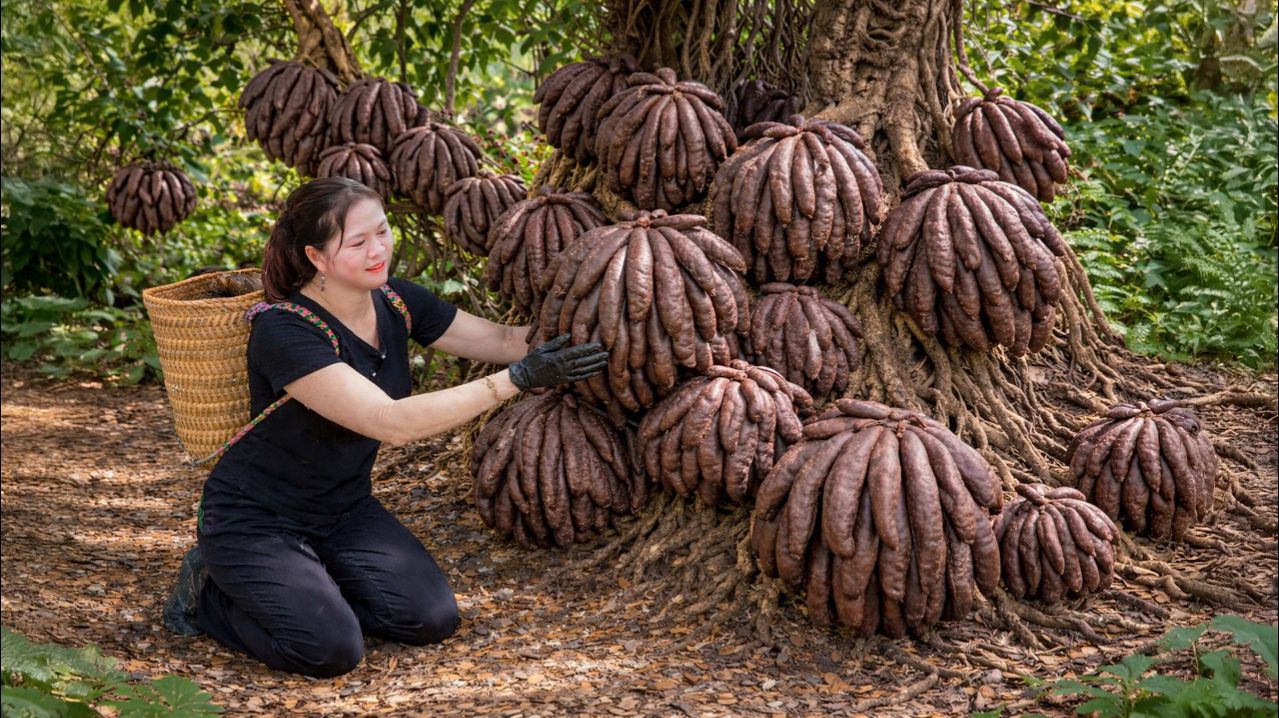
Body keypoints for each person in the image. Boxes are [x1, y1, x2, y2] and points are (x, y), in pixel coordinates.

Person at [160, 176, 607, 678]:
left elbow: (504, 341)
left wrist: (609, 322)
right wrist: (519, 381)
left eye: (383, 231)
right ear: (317, 257)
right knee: (330, 652)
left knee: (430, 619)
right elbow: (389, 422)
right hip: (256, 517)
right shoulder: (284, 330)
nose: (378, 250)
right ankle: (210, 597)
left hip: (343, 508)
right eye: (357, 242)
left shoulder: (395, 300)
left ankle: (309, 586)